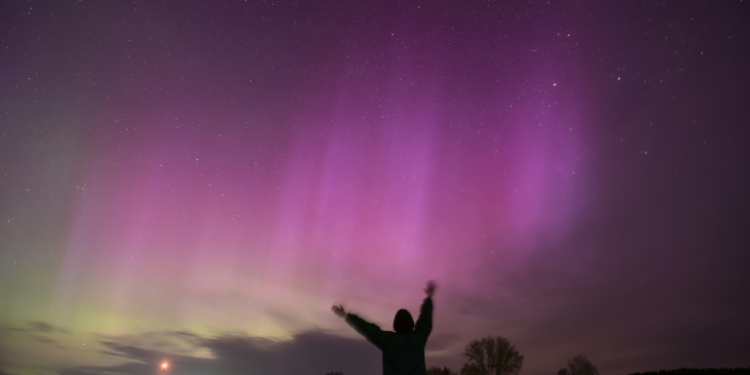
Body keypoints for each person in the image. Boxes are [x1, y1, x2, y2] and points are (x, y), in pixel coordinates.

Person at [332, 281, 436, 375]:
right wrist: (429, 298)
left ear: (395, 325)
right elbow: (425, 320)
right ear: (411, 323)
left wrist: (347, 316)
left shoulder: (388, 340)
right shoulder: (418, 339)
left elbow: (368, 329)